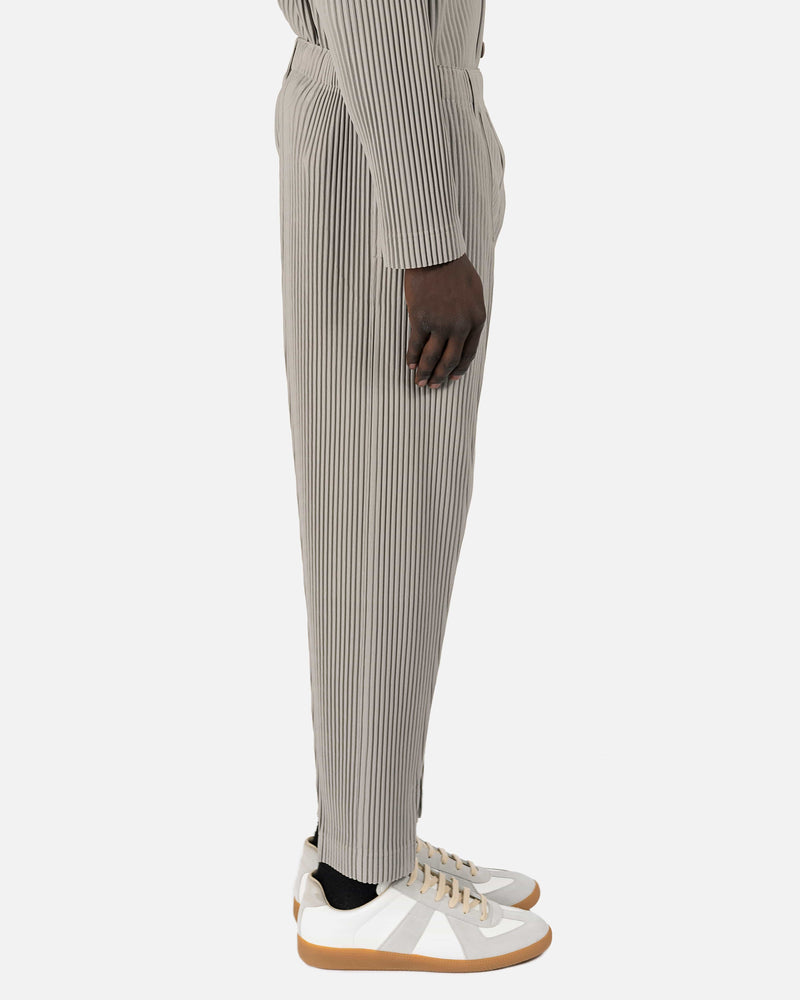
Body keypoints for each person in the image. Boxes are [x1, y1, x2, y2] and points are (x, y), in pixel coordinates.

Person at [274, 1, 551, 971]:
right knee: (394, 515)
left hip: (382, 120)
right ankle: (362, 881)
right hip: (387, 137)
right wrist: (429, 237)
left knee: (368, 507)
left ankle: (360, 833)